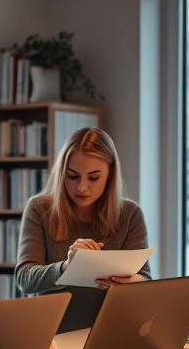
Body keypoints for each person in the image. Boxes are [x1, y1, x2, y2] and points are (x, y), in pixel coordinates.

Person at [15, 127, 151, 332]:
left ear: (110, 174)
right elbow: (25, 279)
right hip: (52, 336)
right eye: (72, 176)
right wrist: (67, 267)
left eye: (93, 177)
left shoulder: (130, 214)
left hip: (112, 332)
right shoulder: (39, 208)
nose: (82, 187)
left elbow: (145, 279)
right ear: (62, 173)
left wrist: (132, 283)